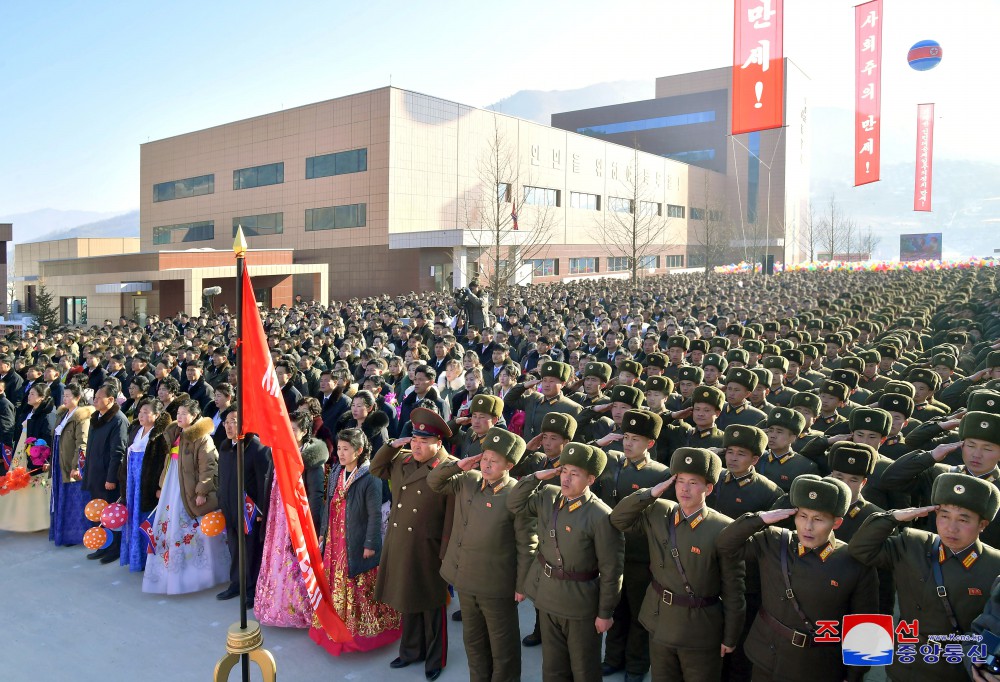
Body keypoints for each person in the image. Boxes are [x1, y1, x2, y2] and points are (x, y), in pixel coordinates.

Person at [716, 475, 878, 682]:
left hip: (816, 666)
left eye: (818, 519)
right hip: (766, 655)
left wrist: (854, 676)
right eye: (802, 516)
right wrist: (760, 519)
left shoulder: (853, 562)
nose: (808, 526)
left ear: (837, 522)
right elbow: (724, 545)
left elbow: (867, 624)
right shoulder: (775, 541)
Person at [610, 447, 745, 682]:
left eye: (693, 482)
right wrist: (650, 493)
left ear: (709, 488)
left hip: (700, 629)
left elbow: (734, 589)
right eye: (680, 481)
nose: (684, 488)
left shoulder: (723, 528)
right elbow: (618, 519)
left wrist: (730, 636)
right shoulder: (659, 512)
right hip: (659, 618)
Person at [849, 472, 1000, 682]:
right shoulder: (913, 544)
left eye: (963, 519)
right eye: (944, 515)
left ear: (982, 525)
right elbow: (861, 550)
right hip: (904, 663)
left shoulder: (994, 566)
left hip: (954, 670)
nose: (950, 527)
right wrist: (893, 517)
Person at [507, 442, 624, 682]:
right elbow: (514, 503)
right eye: (564, 471)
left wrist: (605, 612)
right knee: (553, 668)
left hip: (580, 604)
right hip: (549, 596)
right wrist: (538, 476)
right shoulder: (549, 496)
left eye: (575, 474)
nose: (566, 479)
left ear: (590, 479)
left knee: (584, 669)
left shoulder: (600, 516)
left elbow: (612, 570)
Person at [428, 427, 531, 682]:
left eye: (494, 461)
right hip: (465, 578)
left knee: (502, 645)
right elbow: (434, 482)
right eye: (484, 457)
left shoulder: (515, 494)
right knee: (473, 641)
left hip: (496, 585)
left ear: (509, 464)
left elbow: (527, 544)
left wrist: (521, 584)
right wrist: (458, 465)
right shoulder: (469, 479)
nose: (486, 464)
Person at [372, 407, 457, 681]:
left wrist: (447, 555)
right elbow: (376, 468)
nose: (417, 446)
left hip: (429, 548)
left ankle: (435, 658)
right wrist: (392, 444)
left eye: (424, 441)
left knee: (432, 605)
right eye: (414, 440)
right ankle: (410, 651)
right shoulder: (403, 460)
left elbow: (453, 519)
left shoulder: (450, 469)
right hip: (401, 542)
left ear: (438, 443)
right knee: (406, 598)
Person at [592, 410, 671, 682]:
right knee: (614, 607)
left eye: (636, 439)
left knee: (639, 613)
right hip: (610, 551)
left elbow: (665, 523)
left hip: (641, 556)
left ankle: (637, 665)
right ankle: (613, 658)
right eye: (625, 437)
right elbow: (577, 456)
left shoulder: (661, 474)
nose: (628, 443)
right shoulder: (611, 461)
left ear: (650, 443)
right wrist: (600, 443)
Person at [310, 427, 401, 655]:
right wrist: (323, 531)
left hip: (357, 539)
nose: (340, 453)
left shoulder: (371, 476)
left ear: (359, 451)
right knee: (334, 582)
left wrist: (371, 543)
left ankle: (363, 633)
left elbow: (375, 514)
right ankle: (334, 629)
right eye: (339, 448)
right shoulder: (335, 473)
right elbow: (328, 503)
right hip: (335, 539)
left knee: (361, 585)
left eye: (346, 449)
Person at [142, 399, 230, 594]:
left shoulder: (203, 438)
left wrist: (202, 491)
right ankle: (170, 574)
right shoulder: (175, 435)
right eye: (178, 413)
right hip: (172, 487)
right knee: (169, 527)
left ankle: (199, 576)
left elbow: (208, 467)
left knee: (193, 530)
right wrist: (162, 485)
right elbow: (169, 463)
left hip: (189, 491)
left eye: (184, 414)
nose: (180, 417)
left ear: (194, 416)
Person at [215, 411, 272, 606]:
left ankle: (251, 589)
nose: (229, 426)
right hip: (229, 507)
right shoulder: (224, 446)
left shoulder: (256, 447)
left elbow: (263, 481)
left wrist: (261, 511)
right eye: (226, 422)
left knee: (250, 551)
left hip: (250, 512)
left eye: (234, 422)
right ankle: (236, 583)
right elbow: (221, 478)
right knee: (234, 547)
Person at [0, 382, 56, 532]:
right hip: (23, 452)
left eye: (33, 394)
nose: (29, 396)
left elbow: (48, 440)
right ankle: (22, 520)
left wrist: (44, 459)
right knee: (20, 487)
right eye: (29, 393)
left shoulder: (47, 415)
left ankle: (39, 522)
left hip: (37, 457)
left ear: (42, 398)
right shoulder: (30, 411)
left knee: (37, 489)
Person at [120, 398, 167, 571]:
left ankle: (151, 560)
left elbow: (164, 463)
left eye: (146, 412)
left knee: (148, 520)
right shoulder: (135, 430)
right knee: (133, 517)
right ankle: (136, 558)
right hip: (132, 484)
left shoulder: (159, 436)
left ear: (157, 415)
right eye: (140, 411)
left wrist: (159, 487)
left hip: (148, 486)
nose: (141, 415)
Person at [49, 382, 94, 546]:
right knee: (61, 498)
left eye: (68, 396)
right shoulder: (62, 415)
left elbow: (82, 444)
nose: (64, 399)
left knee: (73, 500)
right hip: (59, 463)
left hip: (71, 465)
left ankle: (75, 536)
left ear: (78, 398)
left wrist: (77, 466)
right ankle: (61, 533)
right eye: (64, 395)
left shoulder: (82, 417)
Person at [292, 411, 329, 532]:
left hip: (302, 516)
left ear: (304, 432)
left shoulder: (312, 458)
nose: (289, 432)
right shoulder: (280, 452)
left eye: (293, 429)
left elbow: (315, 494)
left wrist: (311, 524)